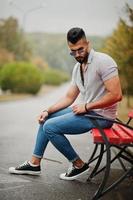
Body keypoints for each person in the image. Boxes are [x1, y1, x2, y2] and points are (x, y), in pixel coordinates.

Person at [9, 27, 122, 180]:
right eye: (73, 51)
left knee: (50, 127)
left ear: (88, 43)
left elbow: (116, 95)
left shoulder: (103, 61)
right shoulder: (78, 68)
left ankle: (78, 164)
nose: (77, 55)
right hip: (88, 112)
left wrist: (87, 106)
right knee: (47, 119)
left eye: (80, 50)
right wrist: (47, 110)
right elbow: (69, 97)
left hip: (102, 117)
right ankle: (34, 163)